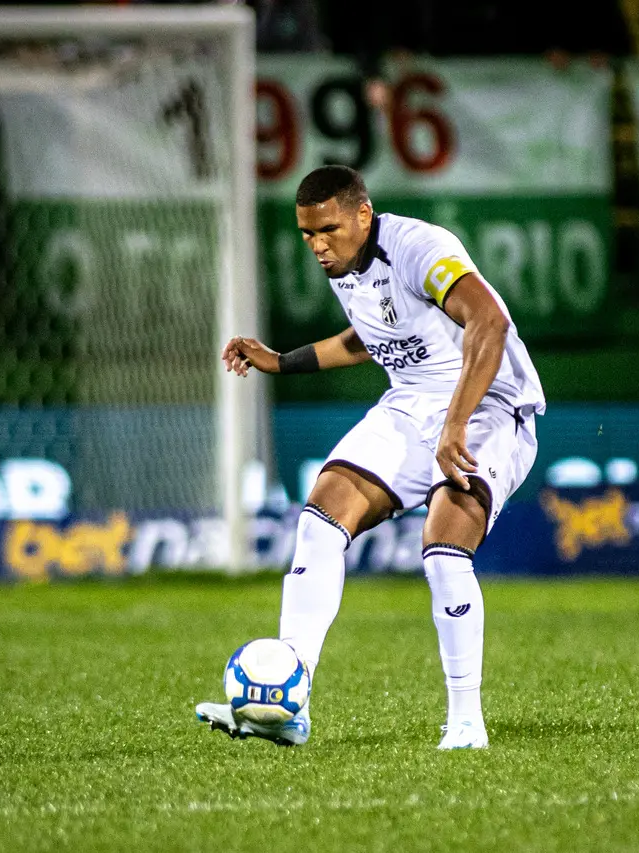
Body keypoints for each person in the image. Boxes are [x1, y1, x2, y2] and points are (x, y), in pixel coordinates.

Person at [196, 165, 544, 748]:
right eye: (307, 235)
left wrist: (456, 421)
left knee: (443, 547)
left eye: (327, 230)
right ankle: (290, 699)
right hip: (410, 404)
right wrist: (279, 360)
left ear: (363, 214)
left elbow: (490, 320)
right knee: (320, 515)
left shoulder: (417, 247)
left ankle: (465, 722)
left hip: (487, 405)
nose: (317, 246)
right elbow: (369, 336)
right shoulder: (346, 263)